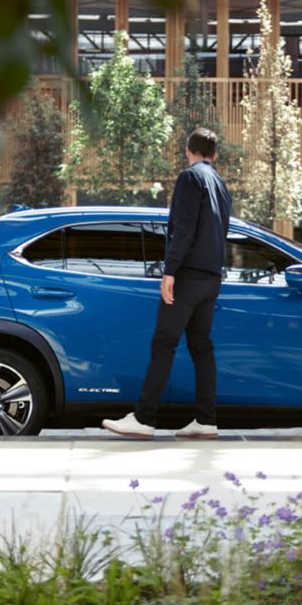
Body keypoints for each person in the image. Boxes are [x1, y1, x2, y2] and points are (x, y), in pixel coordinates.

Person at [102, 127, 231, 439]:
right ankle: (206, 420)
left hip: (188, 275)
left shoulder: (190, 178)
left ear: (188, 150)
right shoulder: (221, 184)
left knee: (164, 343)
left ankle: (144, 418)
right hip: (212, 277)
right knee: (201, 347)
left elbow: (183, 228)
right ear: (214, 154)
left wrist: (170, 271)